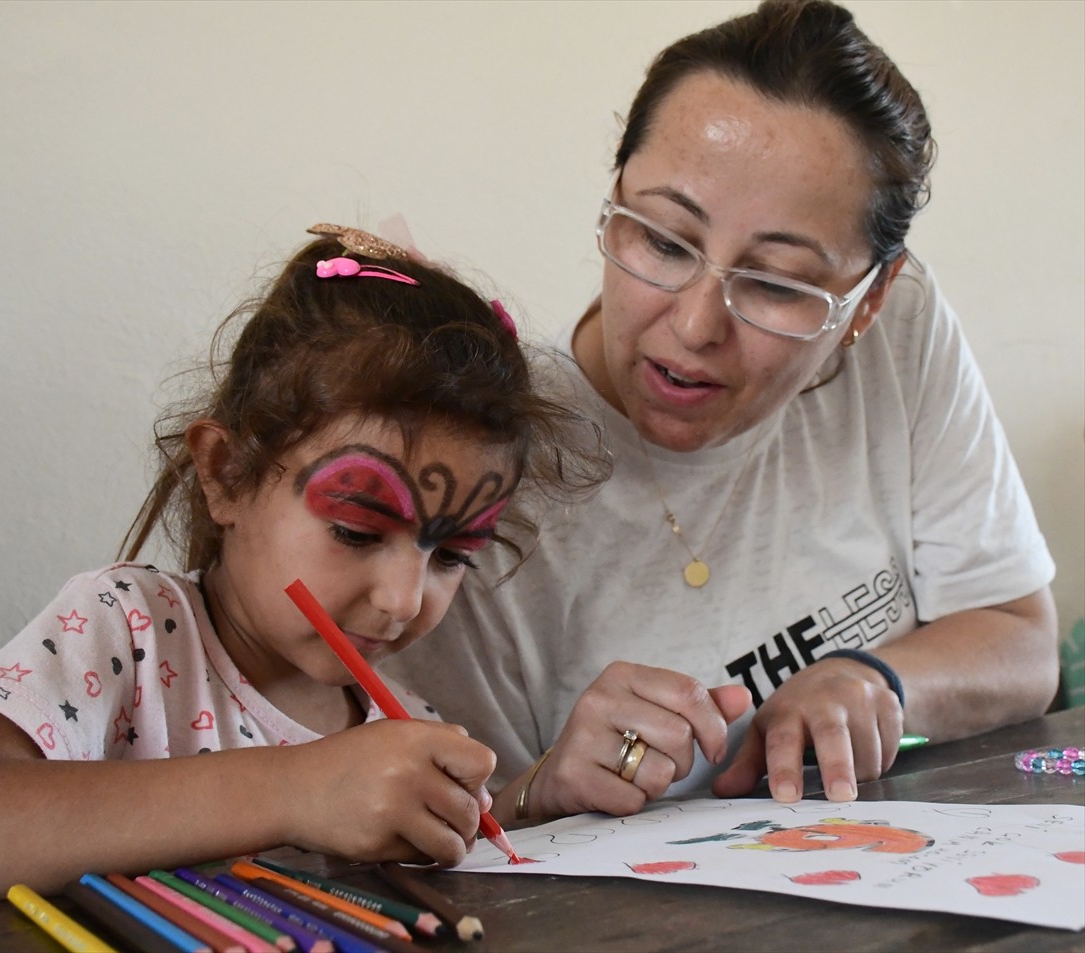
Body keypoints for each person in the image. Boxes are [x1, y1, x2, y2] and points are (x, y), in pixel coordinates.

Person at [384, 0, 1059, 823]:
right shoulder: (496, 447)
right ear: (615, 199)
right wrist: (544, 784)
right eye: (663, 241)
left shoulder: (902, 327)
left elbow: (1022, 640)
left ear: (870, 299)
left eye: (776, 283)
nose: (696, 326)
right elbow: (433, 823)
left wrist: (875, 679)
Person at [0, 225, 606, 904]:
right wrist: (292, 790)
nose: (401, 597)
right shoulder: (126, 630)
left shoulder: (399, 730)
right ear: (225, 473)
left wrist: (519, 803)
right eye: (357, 531)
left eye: (450, 554)